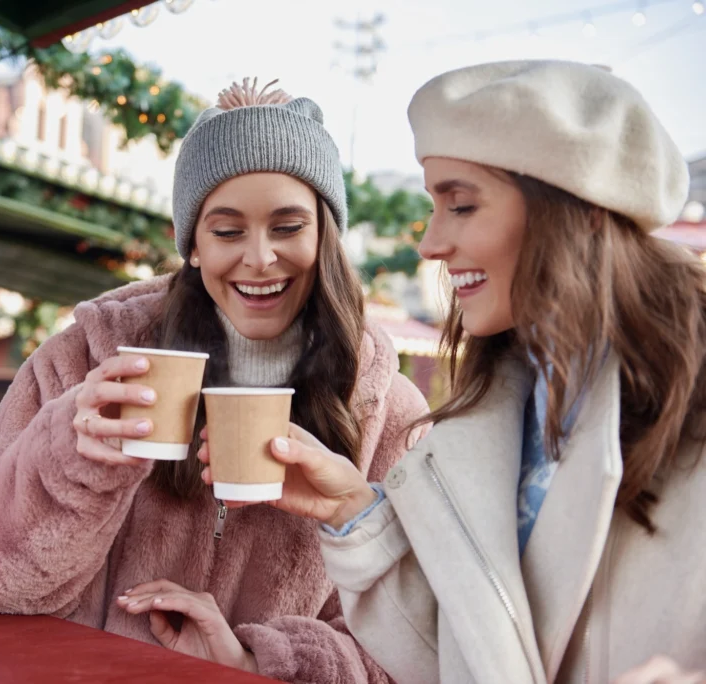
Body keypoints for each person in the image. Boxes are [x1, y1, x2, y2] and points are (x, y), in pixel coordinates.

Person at [199, 60, 706, 683]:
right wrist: (355, 514)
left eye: (461, 206)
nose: (431, 243)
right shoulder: (497, 410)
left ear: (581, 209)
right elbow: (471, 655)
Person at [0, 78, 428, 683]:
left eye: (287, 227)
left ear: (324, 236)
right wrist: (71, 456)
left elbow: (413, 651)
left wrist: (258, 661)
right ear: (192, 244)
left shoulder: (386, 409)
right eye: (227, 231)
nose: (259, 258)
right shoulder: (84, 360)